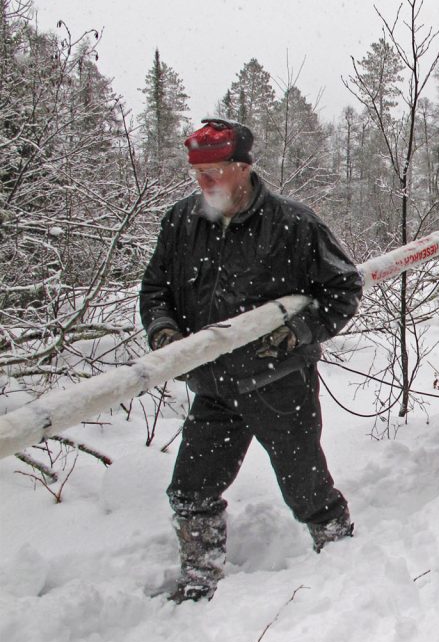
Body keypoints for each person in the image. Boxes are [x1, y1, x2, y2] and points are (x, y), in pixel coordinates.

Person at [139, 118, 364, 603]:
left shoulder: (293, 223)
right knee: (190, 491)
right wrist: (163, 330)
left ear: (243, 167)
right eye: (197, 173)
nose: (204, 182)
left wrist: (296, 333)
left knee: (306, 488)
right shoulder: (181, 222)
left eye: (216, 171)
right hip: (213, 385)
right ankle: (200, 576)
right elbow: (156, 287)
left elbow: (343, 288)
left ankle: (344, 562)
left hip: (279, 384)